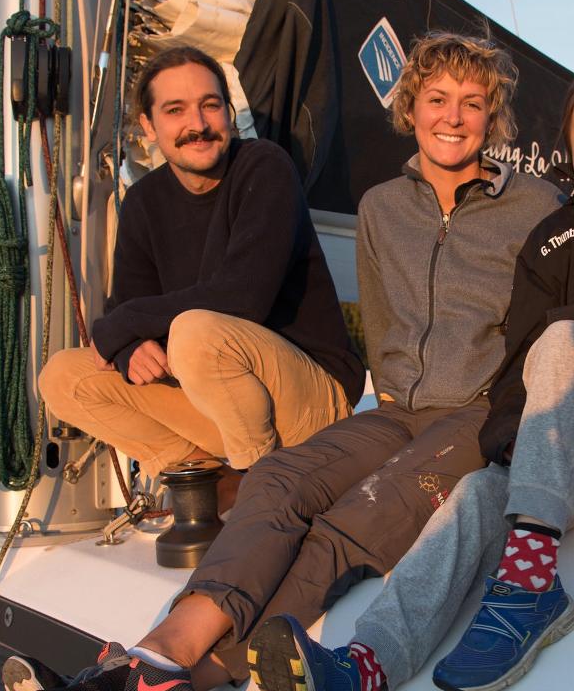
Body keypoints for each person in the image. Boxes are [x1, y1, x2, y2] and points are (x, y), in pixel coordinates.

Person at [5, 33, 560, 691]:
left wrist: (514, 420)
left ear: (493, 115)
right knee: (274, 484)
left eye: (474, 103)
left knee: (359, 513)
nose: (453, 116)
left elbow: (550, 328)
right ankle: (153, 657)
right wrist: (123, 341)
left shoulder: (534, 205)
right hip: (397, 410)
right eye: (437, 99)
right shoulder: (384, 207)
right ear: (411, 108)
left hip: (480, 412)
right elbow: (382, 324)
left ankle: (206, 673)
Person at [244, 61, 574, 691]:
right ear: (568, 140)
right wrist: (508, 447)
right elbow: (520, 357)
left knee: (571, 335)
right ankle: (365, 664)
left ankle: (527, 587)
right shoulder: (551, 236)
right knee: (474, 495)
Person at [37, 46, 364, 503]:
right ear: (149, 126)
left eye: (210, 105)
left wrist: (122, 326)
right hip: (217, 398)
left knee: (195, 331)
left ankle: (264, 497)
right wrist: (131, 345)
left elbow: (242, 296)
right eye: (175, 110)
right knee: (62, 376)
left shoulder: (264, 166)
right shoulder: (144, 203)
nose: (198, 124)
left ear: (228, 113)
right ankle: (210, 485)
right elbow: (128, 304)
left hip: (312, 399)